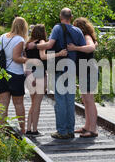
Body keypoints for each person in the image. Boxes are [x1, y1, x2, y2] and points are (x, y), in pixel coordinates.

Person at [26, 8, 86, 140]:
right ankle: (70, 130)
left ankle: (62, 131)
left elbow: (49, 45)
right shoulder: (78, 31)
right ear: (71, 17)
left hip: (60, 68)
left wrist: (34, 46)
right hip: (72, 68)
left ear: (60, 16)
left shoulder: (57, 28)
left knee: (60, 101)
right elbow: (83, 49)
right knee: (70, 101)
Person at [25, 24, 68, 136]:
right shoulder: (42, 42)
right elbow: (43, 56)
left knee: (33, 103)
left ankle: (28, 128)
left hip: (29, 73)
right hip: (39, 73)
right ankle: (34, 130)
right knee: (37, 104)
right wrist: (59, 54)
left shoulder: (28, 43)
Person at [0, 17, 29, 134]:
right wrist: (27, 60)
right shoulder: (19, 39)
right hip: (15, 74)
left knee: (3, 103)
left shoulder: (2, 37)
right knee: (18, 103)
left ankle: (1, 127)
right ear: (24, 27)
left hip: (1, 73)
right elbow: (16, 58)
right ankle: (23, 128)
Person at [68, 18, 99, 138]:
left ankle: (93, 130)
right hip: (84, 70)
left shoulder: (86, 36)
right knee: (85, 100)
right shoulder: (85, 37)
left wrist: (75, 48)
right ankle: (87, 126)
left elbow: (91, 47)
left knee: (89, 100)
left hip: (88, 70)